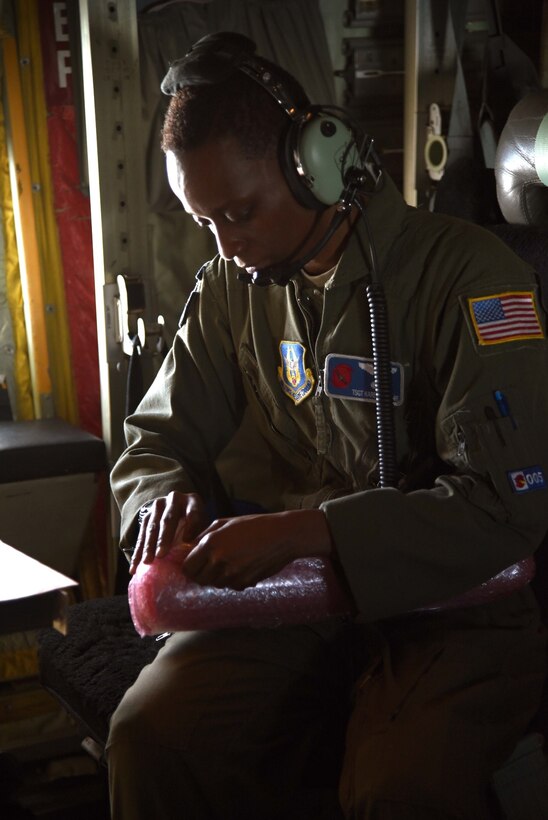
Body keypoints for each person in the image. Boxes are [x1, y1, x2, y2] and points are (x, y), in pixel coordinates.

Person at [107, 31, 548, 820]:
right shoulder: (232, 288)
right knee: (152, 737)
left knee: (395, 792)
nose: (225, 244)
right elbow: (155, 440)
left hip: (457, 607)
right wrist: (156, 502)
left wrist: (312, 531)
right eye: (202, 221)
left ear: (313, 162)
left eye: (239, 212)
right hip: (297, 599)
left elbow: (505, 508)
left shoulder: (473, 278)